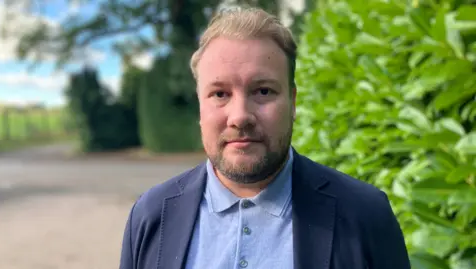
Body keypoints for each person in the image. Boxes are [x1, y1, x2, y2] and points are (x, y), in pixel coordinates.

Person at [118, 6, 411, 269]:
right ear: (200, 105)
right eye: (220, 94)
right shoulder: (151, 215)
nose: (240, 116)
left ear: (293, 103)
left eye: (263, 91)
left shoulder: (365, 215)